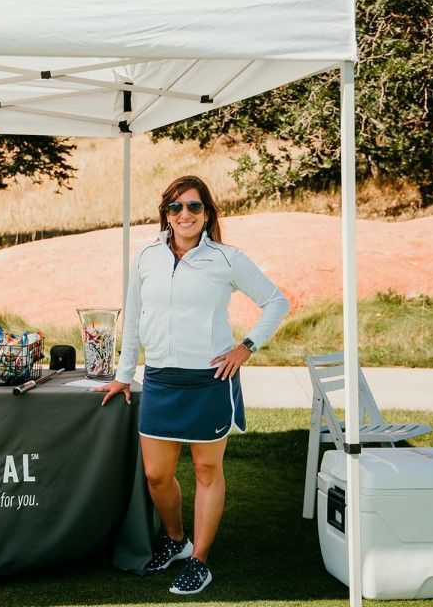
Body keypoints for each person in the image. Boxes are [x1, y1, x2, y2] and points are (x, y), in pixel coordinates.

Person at [93, 175, 289, 595]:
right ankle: (177, 540)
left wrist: (246, 348)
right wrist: (124, 376)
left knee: (205, 470)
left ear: (207, 213)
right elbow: (134, 319)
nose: (185, 215)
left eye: (194, 207)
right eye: (176, 207)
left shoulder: (227, 258)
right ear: (166, 213)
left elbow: (277, 301)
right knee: (157, 475)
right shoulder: (146, 256)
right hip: (161, 379)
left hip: (209, 381)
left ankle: (199, 560)